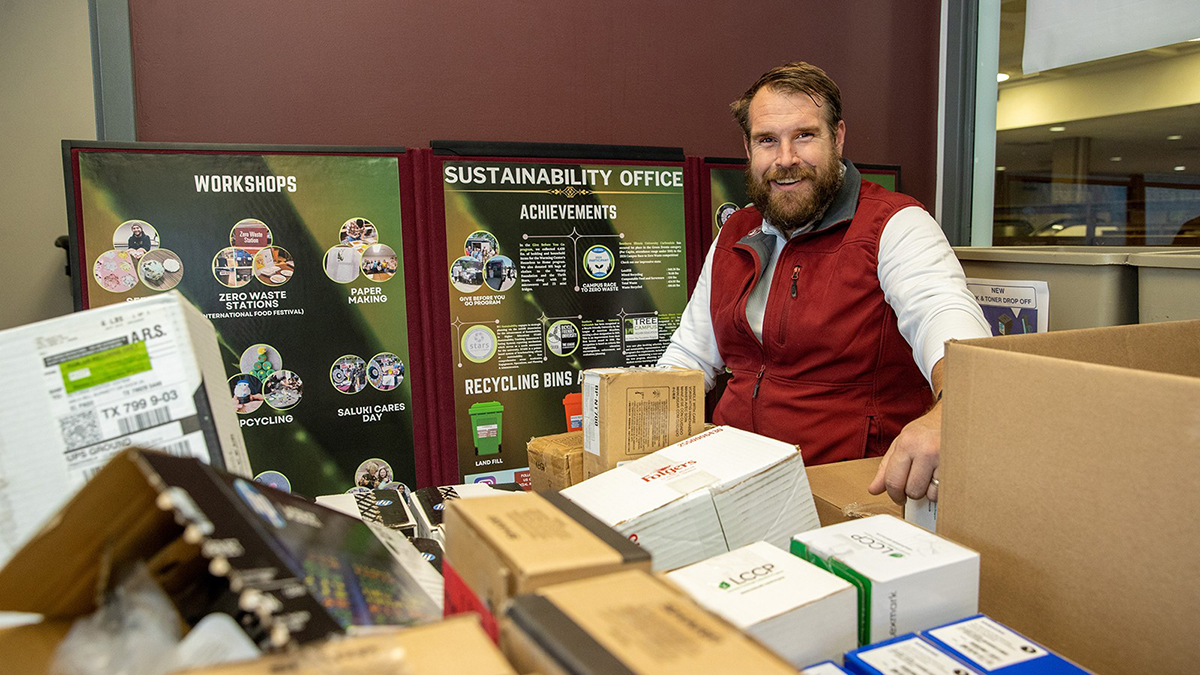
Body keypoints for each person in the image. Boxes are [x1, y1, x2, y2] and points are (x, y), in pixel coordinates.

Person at [658, 62, 989, 504]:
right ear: (748, 147)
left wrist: (950, 416)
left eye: (805, 135)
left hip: (845, 494)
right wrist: (635, 420)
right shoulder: (735, 232)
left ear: (838, 137)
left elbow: (953, 331)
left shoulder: (896, 225)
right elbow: (689, 357)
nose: (786, 159)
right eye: (767, 140)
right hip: (734, 483)